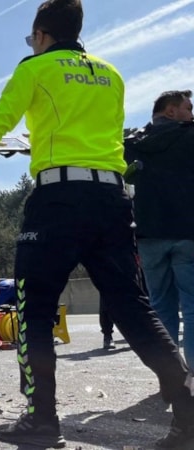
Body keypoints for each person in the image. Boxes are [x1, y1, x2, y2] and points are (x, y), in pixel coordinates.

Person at [0, 1, 194, 448]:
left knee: (33, 308)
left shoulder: (34, 68)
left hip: (58, 198)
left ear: (40, 35)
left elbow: (2, 118)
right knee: (134, 306)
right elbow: (107, 135)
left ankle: (41, 418)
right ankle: (188, 413)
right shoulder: (110, 74)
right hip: (112, 199)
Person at [124, 89, 194, 365]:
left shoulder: (134, 142)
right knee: (191, 306)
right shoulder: (190, 136)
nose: (191, 114)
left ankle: (169, 373)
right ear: (171, 111)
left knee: (160, 306)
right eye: (188, 108)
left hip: (148, 234)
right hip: (187, 232)